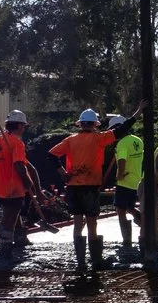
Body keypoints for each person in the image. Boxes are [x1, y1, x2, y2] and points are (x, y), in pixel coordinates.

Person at [49, 109, 115, 276]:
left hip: (73, 187)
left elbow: (50, 155)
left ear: (80, 123)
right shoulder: (99, 138)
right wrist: (137, 114)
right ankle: (96, 261)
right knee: (92, 225)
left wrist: (62, 173)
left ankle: (81, 262)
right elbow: (120, 130)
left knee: (78, 225)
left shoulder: (70, 140)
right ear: (94, 124)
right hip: (90, 186)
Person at [0, 111, 38, 261]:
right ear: (19, 125)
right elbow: (19, 166)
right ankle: (5, 250)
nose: (24, 129)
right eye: (23, 126)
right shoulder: (16, 143)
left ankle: (18, 240)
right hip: (13, 188)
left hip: (2, 188)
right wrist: (29, 183)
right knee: (9, 219)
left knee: (12, 216)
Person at [108, 113, 146, 266]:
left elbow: (122, 161)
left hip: (124, 182)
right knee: (130, 207)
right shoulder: (138, 140)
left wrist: (119, 175)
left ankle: (127, 240)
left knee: (120, 209)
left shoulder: (122, 143)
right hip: (136, 180)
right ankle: (144, 224)